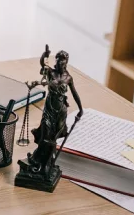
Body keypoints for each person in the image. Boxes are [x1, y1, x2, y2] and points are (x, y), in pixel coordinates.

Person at [24, 45, 83, 176]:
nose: (59, 63)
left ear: (66, 62)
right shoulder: (51, 73)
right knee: (45, 134)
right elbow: (42, 63)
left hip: (61, 111)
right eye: (58, 61)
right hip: (49, 109)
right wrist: (45, 54)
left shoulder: (68, 78)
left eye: (62, 61)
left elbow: (75, 93)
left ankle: (47, 163)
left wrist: (80, 109)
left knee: (54, 138)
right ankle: (39, 161)